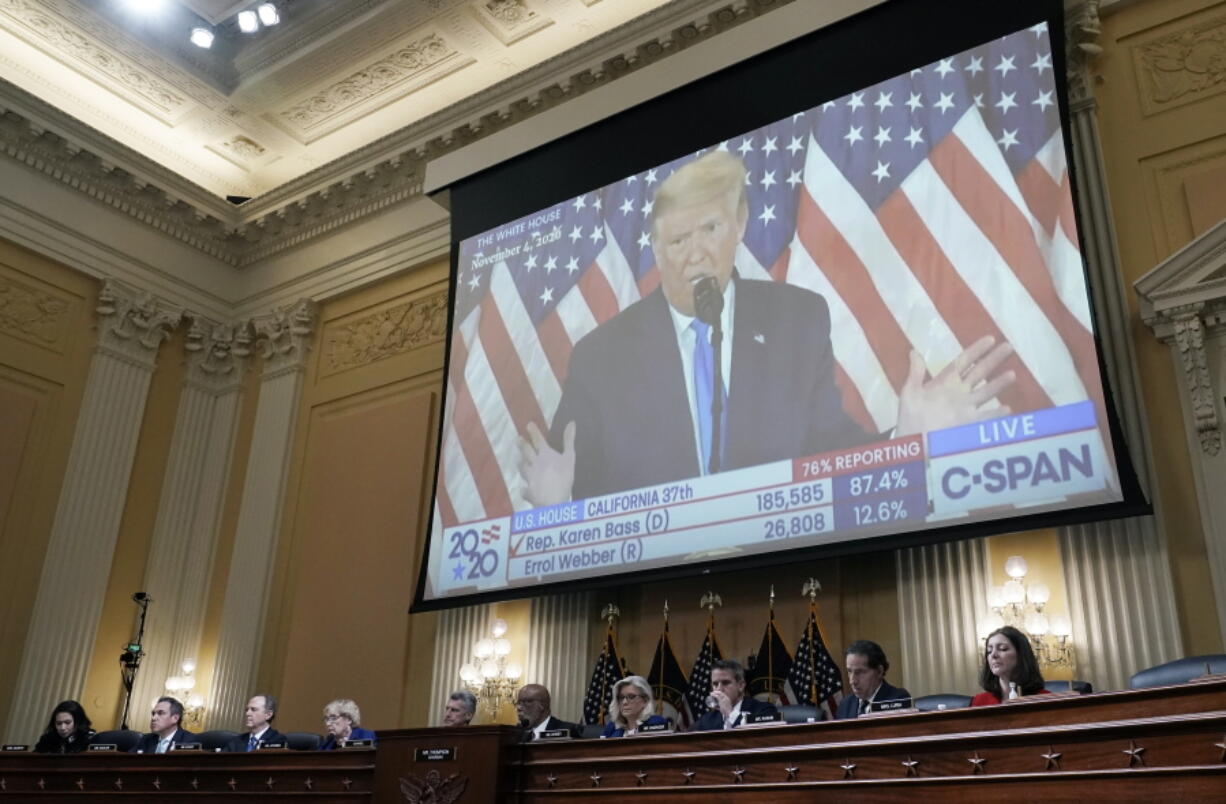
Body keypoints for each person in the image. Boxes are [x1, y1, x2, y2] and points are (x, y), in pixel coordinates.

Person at [520, 149, 1016, 505]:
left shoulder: (797, 319)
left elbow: (825, 451)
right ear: (655, 248)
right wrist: (557, 503)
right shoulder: (602, 354)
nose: (696, 253)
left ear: (739, 224)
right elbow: (578, 484)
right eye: (677, 240)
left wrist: (904, 438)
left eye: (710, 229)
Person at [971, 625, 1051, 706]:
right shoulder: (979, 701)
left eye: (1003, 648)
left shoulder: (1045, 699)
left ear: (1020, 654)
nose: (993, 655)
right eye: (989, 651)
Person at [693, 659, 779, 731]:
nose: (719, 689)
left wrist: (730, 713)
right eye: (715, 684)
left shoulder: (765, 709)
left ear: (741, 686)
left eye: (725, 683)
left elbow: (762, 735)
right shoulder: (706, 720)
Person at [835, 640, 912, 719]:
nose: (852, 681)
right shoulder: (845, 705)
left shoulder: (897, 700)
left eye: (860, 672)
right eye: (849, 671)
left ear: (879, 671)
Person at [601, 676, 669, 737]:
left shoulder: (655, 723)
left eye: (631, 697)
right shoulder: (612, 727)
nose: (624, 702)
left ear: (645, 701)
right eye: (621, 697)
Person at [514, 683, 581, 740]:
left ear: (542, 705)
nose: (519, 708)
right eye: (518, 703)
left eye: (527, 702)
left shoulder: (568, 731)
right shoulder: (515, 734)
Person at [131, 697, 196, 754]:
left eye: (161, 713)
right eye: (153, 714)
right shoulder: (145, 739)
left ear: (175, 718)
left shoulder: (189, 741)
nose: (153, 718)